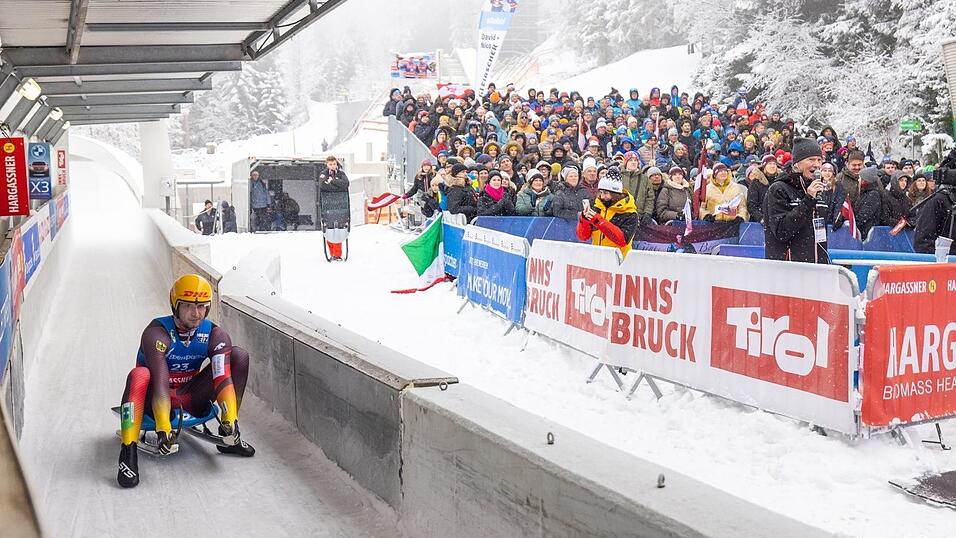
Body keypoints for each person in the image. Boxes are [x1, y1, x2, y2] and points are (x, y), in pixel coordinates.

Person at [117, 274, 254, 488]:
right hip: (155, 400)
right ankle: (127, 452)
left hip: (189, 397)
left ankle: (228, 437)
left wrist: (230, 418)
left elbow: (222, 377)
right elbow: (160, 383)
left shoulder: (215, 335)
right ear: (176, 305)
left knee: (238, 356)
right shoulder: (157, 333)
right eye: (188, 306)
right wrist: (163, 428)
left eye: (201, 306)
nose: (196, 313)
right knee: (139, 375)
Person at [763, 138, 828, 264]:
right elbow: (781, 231)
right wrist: (808, 200)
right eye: (811, 159)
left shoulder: (819, 190)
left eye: (819, 160)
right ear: (797, 163)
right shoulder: (779, 189)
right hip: (789, 267)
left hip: (816, 267)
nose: (817, 164)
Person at [576, 167, 639, 256]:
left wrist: (599, 222)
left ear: (615, 194)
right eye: (601, 192)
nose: (602, 196)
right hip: (597, 257)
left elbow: (622, 240)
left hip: (618, 260)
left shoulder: (630, 213)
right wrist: (584, 220)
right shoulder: (597, 208)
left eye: (605, 193)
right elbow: (583, 237)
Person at [319, 156, 350, 260]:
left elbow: (346, 184)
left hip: (341, 206)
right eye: (330, 164)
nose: (332, 166)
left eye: (334, 164)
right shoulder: (323, 174)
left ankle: (337, 254)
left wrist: (332, 181)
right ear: (327, 164)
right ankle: (333, 253)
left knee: (339, 229)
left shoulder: (341, 173)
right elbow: (323, 185)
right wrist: (338, 186)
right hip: (327, 206)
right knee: (329, 230)